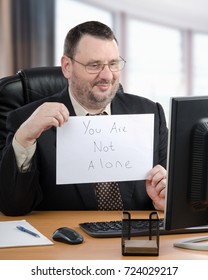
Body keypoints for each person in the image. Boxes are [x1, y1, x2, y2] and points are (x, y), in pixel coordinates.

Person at [0, 21, 167, 216]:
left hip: (133, 239)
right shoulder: (27, 122)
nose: (107, 75)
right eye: (94, 65)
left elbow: (168, 195)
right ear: (67, 67)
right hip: (65, 242)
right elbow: (13, 207)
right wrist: (24, 139)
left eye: (113, 64)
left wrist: (163, 201)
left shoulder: (150, 113)